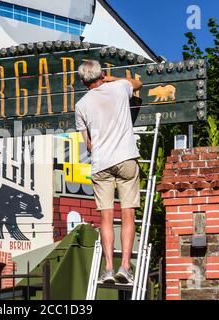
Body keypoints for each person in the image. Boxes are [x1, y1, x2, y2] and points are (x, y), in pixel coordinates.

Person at [75, 60, 143, 284]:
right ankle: (125, 266)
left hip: (101, 163)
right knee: (128, 214)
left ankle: (108, 269)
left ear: (83, 81)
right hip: (125, 157)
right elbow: (138, 83)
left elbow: (88, 143)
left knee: (106, 216)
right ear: (101, 74)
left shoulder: (81, 105)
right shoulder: (118, 87)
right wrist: (111, 78)